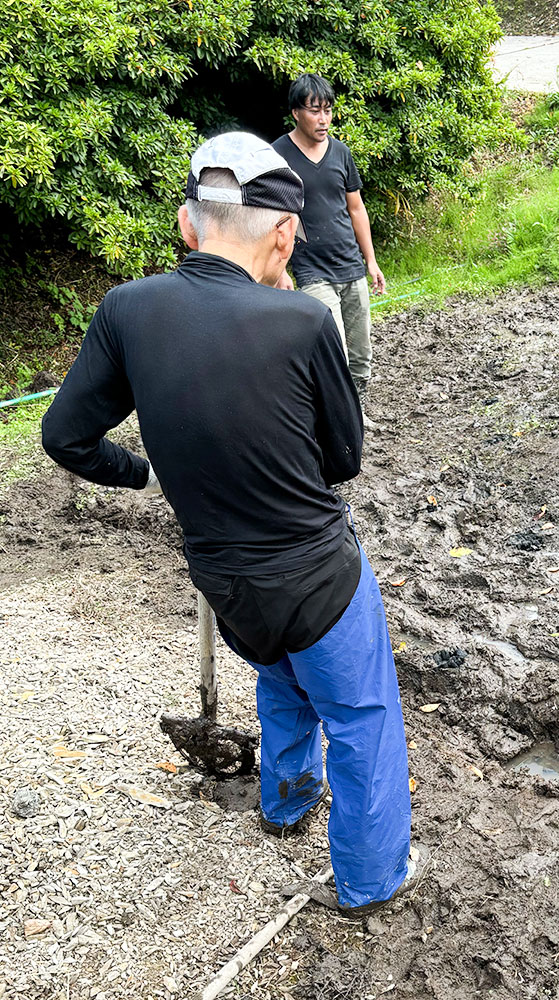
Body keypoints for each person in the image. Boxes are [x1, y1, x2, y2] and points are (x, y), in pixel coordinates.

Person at [40, 132, 413, 915]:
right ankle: (372, 882)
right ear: (282, 233)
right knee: (362, 719)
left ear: (188, 224)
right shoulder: (303, 323)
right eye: (295, 238)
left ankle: (284, 804)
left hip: (223, 579)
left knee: (279, 676)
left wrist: (142, 471)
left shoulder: (127, 311)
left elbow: (64, 438)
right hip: (318, 578)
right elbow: (343, 460)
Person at [273, 73, 385, 405]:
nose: (323, 119)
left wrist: (371, 260)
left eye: (328, 110)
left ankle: (356, 413)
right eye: (314, 111)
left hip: (351, 266)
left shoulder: (341, 153)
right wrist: (279, 271)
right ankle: (332, 417)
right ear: (296, 112)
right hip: (312, 271)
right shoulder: (279, 155)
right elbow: (274, 217)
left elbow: (356, 208)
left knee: (361, 353)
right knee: (333, 352)